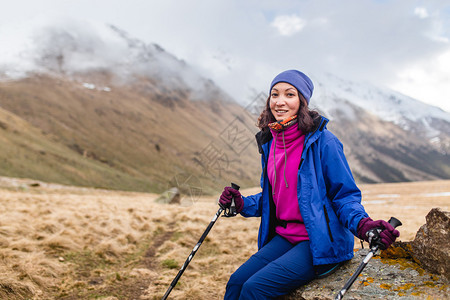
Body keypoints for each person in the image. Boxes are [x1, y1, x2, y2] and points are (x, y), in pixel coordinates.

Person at [218, 70, 400, 299]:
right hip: (286, 236)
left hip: (320, 240)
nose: (280, 101)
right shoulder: (270, 143)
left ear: (302, 102)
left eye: (289, 94)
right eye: (274, 94)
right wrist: (241, 203)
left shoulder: (324, 142)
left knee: (255, 288)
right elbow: (273, 197)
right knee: (236, 283)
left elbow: (344, 196)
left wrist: (364, 225)